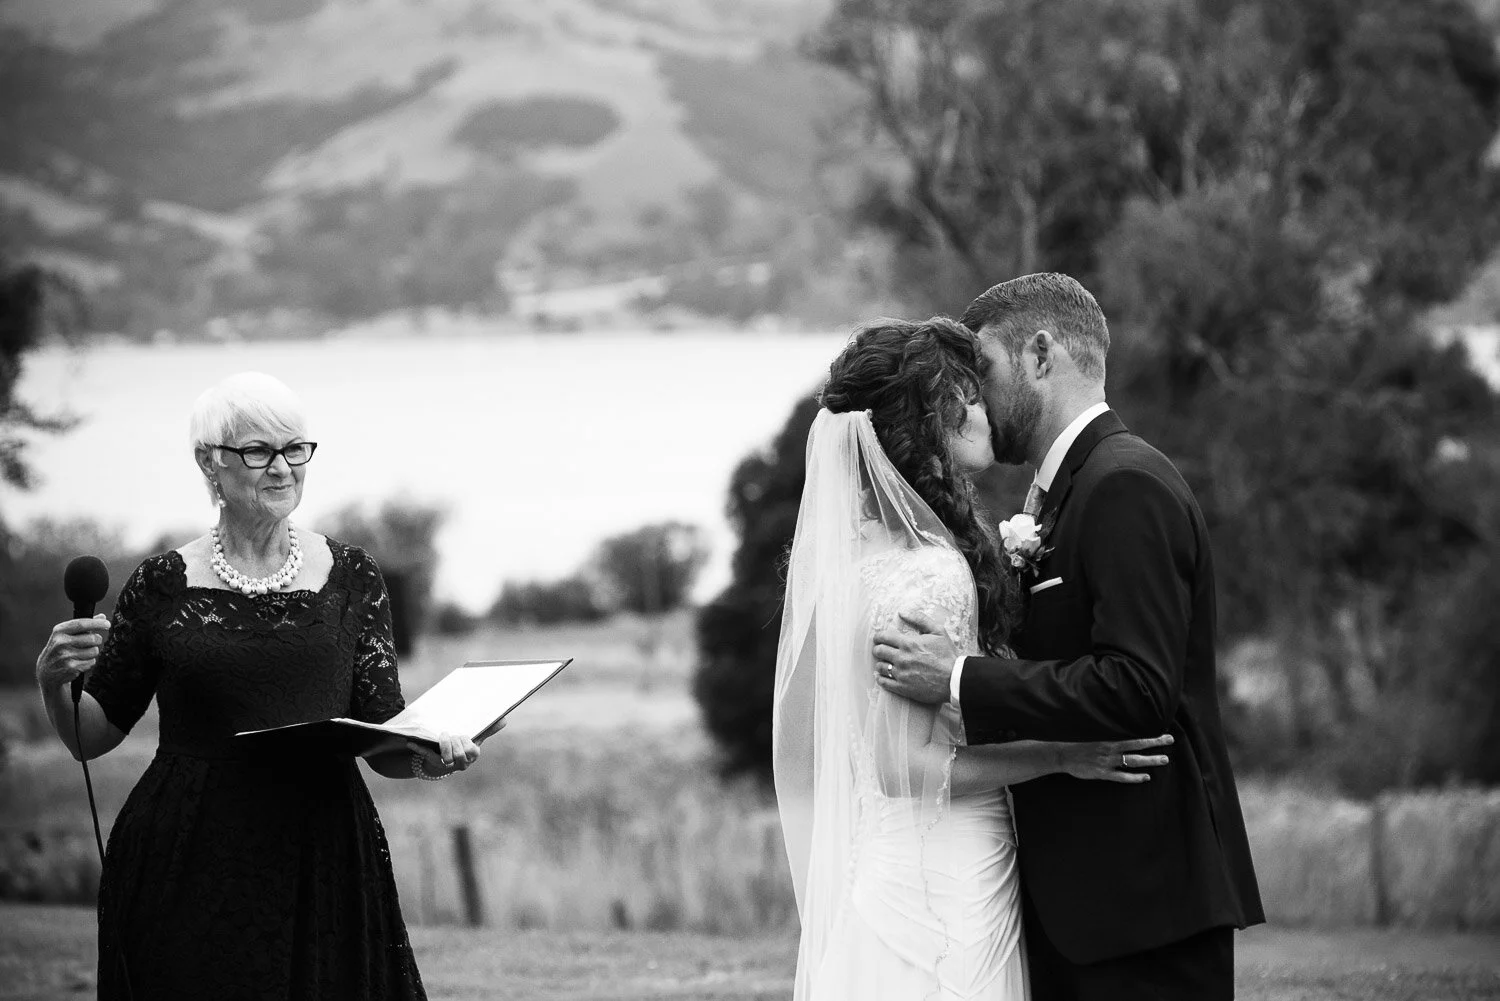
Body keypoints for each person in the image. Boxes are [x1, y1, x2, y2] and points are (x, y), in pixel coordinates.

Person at [874, 274, 1265, 1000]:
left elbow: (1138, 686)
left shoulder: (1124, 484)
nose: (976, 398)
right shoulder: (1066, 492)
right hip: (1085, 904)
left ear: (1041, 354)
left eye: (984, 369)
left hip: (1144, 903)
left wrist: (960, 677)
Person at [34, 371, 484, 1000]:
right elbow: (91, 737)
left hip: (322, 855)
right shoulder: (163, 584)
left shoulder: (354, 576)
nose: (281, 468)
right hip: (186, 858)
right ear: (208, 463)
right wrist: (53, 683)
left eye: (295, 449)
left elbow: (385, 738)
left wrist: (437, 753)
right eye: (257, 451)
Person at [773, 317, 1176, 1001]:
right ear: (926, 418)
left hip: (893, 867)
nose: (981, 402)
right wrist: (1060, 754)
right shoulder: (930, 572)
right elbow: (904, 764)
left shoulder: (862, 558)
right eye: (962, 387)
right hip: (942, 884)